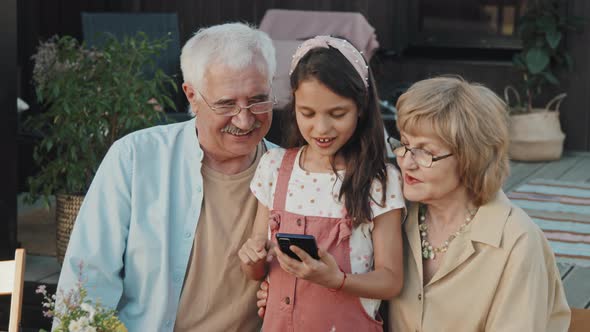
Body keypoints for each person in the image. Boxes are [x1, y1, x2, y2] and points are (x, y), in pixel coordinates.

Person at [257, 76, 571, 331]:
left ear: (471, 158)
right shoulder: (397, 217)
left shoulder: (516, 242)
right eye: (404, 145)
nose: (406, 162)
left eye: (425, 151)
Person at [55, 22, 277, 332]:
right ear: (192, 96)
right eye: (226, 103)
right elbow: (88, 278)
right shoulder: (135, 158)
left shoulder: (294, 175)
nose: (244, 119)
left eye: (257, 99)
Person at [237, 36, 405, 331]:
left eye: (337, 114)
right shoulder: (274, 167)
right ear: (294, 105)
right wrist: (252, 259)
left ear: (361, 108)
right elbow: (260, 268)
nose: (321, 128)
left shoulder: (379, 180)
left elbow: (391, 280)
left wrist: (336, 280)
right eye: (308, 113)